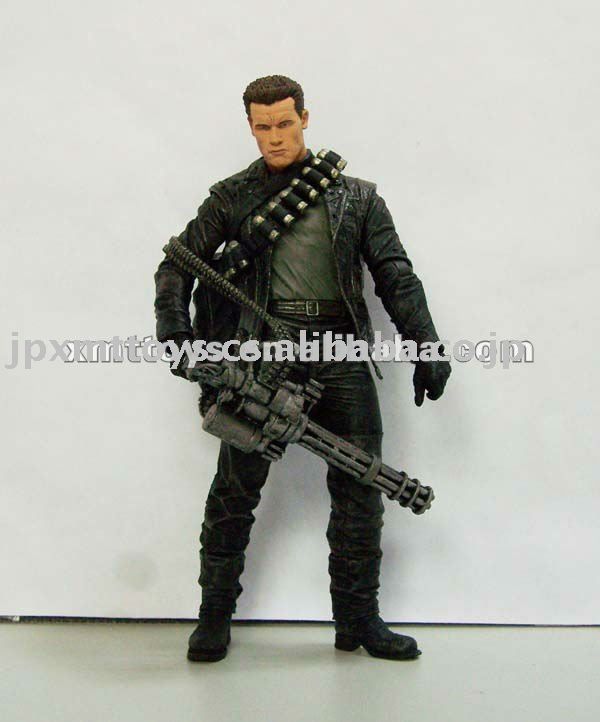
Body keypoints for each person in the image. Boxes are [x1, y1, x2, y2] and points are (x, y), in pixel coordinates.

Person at [154, 75, 451, 662]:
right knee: (234, 491)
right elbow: (176, 266)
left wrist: (427, 346)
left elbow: (395, 275)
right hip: (262, 355)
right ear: (250, 126)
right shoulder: (232, 197)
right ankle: (213, 617)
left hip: (341, 353)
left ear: (305, 119)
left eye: (285, 123)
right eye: (263, 126)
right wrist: (177, 336)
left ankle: (359, 620)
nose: (275, 137)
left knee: (362, 487)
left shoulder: (356, 198)